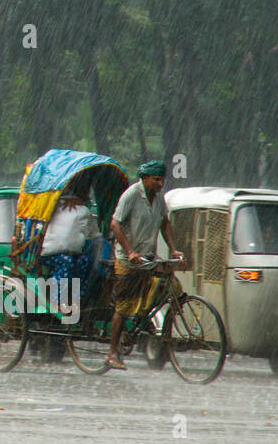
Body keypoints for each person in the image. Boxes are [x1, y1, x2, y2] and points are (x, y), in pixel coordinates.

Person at [105, 159, 184, 370]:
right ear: (145, 178)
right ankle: (112, 352)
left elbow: (164, 223)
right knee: (124, 306)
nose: (160, 184)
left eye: (162, 180)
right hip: (127, 260)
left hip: (148, 257)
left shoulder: (158, 198)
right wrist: (130, 251)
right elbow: (115, 224)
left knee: (172, 288)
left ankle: (157, 334)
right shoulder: (131, 195)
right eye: (156, 180)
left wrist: (174, 249)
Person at [40, 186, 99, 314]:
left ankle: (76, 300)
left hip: (67, 253)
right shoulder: (54, 206)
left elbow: (92, 235)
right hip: (47, 254)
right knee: (67, 262)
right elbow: (92, 234)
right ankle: (57, 301)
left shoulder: (81, 210)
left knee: (85, 262)